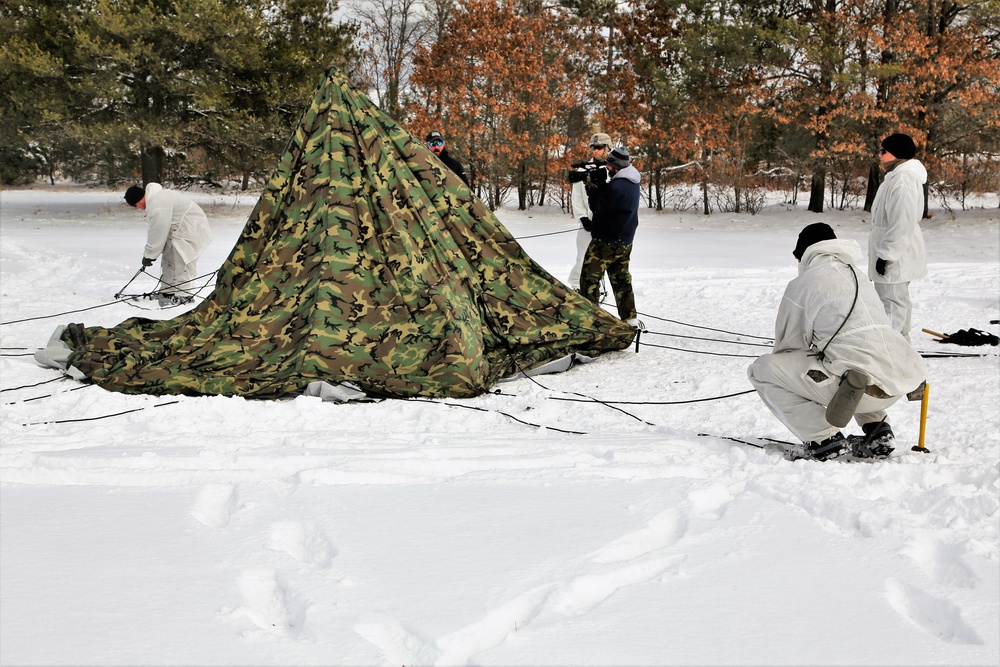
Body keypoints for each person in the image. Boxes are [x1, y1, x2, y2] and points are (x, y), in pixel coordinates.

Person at [747, 223, 927, 460]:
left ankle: (823, 439)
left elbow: (788, 350)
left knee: (762, 370)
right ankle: (877, 430)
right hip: (896, 384)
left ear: (803, 255)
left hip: (857, 392)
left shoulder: (804, 283)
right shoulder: (858, 276)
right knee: (860, 357)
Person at [868, 132, 927, 341]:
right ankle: (898, 348)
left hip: (895, 256)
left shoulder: (903, 180)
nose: (880, 155)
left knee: (892, 305)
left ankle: (894, 352)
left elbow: (902, 222)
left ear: (897, 154)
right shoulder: (895, 177)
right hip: (893, 254)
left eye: (884, 151)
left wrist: (886, 255)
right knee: (893, 302)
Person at [579, 146, 641, 327]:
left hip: (606, 241)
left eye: (609, 166)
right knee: (621, 279)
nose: (607, 168)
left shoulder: (616, 187)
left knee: (589, 279)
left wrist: (593, 188)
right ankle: (630, 319)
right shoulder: (632, 181)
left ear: (617, 167)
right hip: (625, 241)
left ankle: (590, 321)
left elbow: (597, 206)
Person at [124, 183, 213, 307]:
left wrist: (149, 255)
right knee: (169, 259)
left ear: (138, 199)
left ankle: (184, 295)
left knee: (182, 262)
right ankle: (168, 292)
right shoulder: (157, 200)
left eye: (135, 205)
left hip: (190, 230)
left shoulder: (157, 203)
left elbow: (157, 231)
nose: (137, 208)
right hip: (179, 231)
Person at [566, 132, 612, 289]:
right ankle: (576, 287)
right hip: (589, 225)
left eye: (599, 148)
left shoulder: (614, 169)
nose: (596, 151)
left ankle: (595, 289)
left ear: (608, 148)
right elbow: (577, 197)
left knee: (606, 261)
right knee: (582, 258)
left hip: (608, 225)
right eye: (594, 148)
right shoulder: (583, 170)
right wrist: (583, 218)